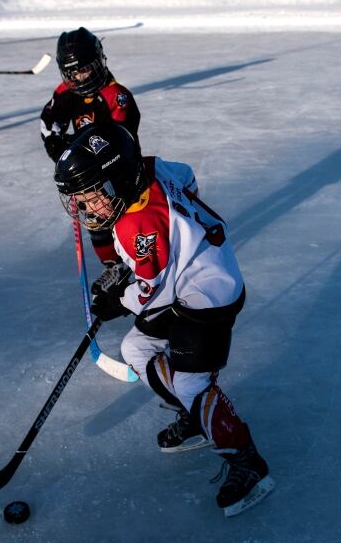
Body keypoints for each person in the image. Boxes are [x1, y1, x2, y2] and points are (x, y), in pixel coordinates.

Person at [52, 123, 275, 517]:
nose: (87, 207)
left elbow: (149, 289)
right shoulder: (150, 168)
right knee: (135, 348)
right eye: (81, 197)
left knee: (191, 382)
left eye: (93, 195)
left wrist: (115, 301)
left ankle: (247, 461)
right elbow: (186, 174)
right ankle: (197, 417)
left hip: (207, 297)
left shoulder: (139, 225)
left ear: (119, 180)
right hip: (187, 281)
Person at [41, 27, 141, 283]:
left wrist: (80, 154)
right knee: (96, 220)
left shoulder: (115, 96)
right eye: (72, 72)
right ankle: (115, 266)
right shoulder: (65, 93)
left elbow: (118, 139)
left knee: (129, 219)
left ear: (98, 63)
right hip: (88, 173)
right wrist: (55, 144)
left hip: (120, 169)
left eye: (84, 69)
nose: (79, 78)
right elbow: (50, 121)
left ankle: (143, 262)